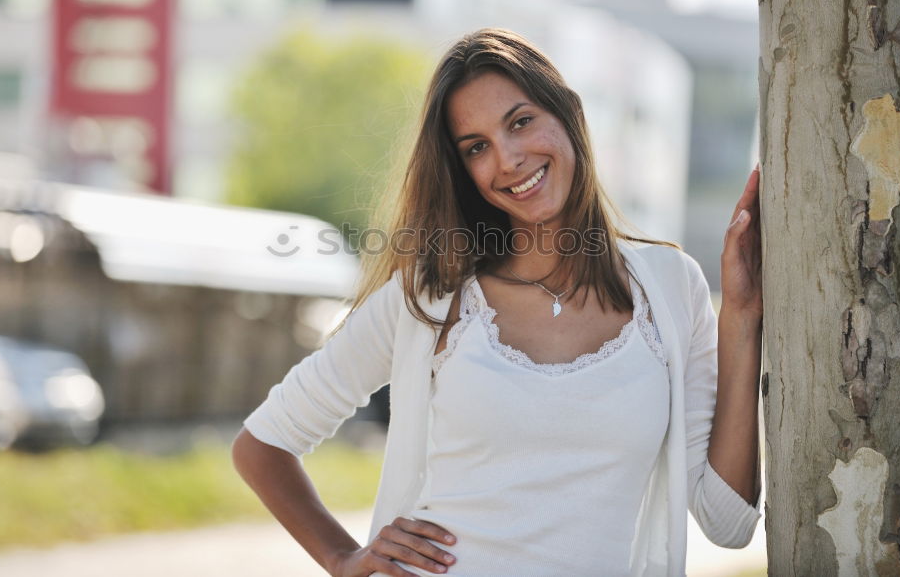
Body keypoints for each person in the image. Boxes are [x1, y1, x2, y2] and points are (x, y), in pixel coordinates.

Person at [232, 28, 763, 576]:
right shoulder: (431, 298)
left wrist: (743, 319)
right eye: (477, 147)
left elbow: (727, 522)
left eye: (521, 121)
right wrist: (342, 559)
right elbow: (262, 444)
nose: (508, 159)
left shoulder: (671, 287)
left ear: (568, 115)